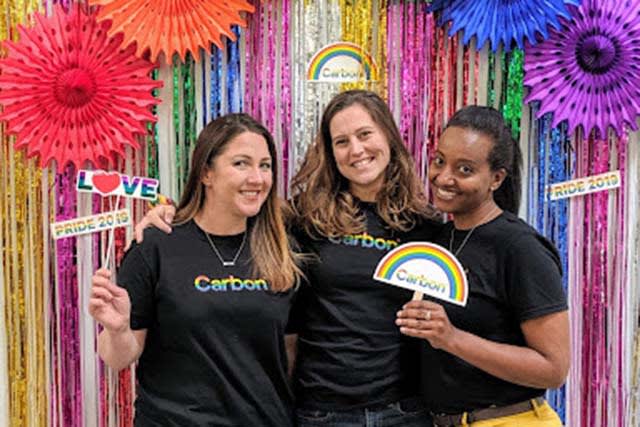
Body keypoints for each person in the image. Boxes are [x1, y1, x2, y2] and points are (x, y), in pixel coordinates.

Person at [137, 90, 439, 427]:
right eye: (341, 141)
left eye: (365, 134)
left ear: (388, 136)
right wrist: (169, 214)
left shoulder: (425, 224)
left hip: (403, 410)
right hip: (323, 411)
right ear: (331, 152)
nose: (356, 150)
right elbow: (233, 204)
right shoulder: (306, 217)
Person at [89, 113, 303, 427]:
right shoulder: (156, 244)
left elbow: (289, 354)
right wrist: (118, 330)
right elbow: (117, 356)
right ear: (206, 173)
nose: (257, 178)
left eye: (265, 165)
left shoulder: (284, 250)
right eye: (241, 164)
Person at [396, 106, 570, 427]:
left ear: (497, 178)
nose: (444, 177)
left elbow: (554, 368)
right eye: (439, 161)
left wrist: (451, 337)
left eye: (464, 169)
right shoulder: (438, 238)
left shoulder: (521, 248)